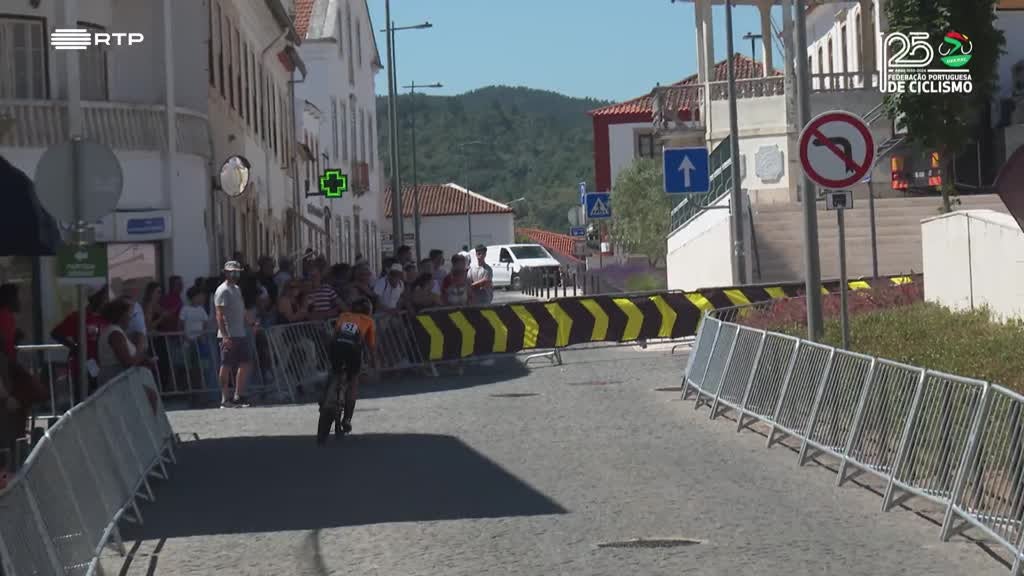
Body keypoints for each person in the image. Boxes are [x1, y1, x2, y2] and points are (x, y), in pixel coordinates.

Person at [319, 297, 376, 443]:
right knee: (354, 380)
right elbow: (371, 345)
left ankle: (325, 394)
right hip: (353, 350)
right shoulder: (368, 321)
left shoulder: (344, 316)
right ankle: (347, 419)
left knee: (334, 370)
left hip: (336, 346)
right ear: (368, 311)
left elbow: (337, 331)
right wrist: (374, 361)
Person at [50, 285, 109, 399]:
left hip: (103, 366)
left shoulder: (106, 317)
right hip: (84, 366)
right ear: (94, 297)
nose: (105, 300)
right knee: (84, 400)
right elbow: (56, 333)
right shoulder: (78, 317)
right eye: (103, 296)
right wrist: (74, 347)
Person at [214, 261, 253, 408]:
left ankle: (238, 395)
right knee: (226, 365)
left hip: (240, 333)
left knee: (245, 363)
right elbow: (219, 315)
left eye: (237, 272)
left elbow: (242, 309)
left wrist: (251, 323)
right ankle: (225, 398)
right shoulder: (222, 290)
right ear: (226, 273)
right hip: (228, 335)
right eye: (232, 272)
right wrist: (224, 336)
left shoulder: (237, 289)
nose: (235, 275)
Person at [96, 297, 154, 386]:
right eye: (129, 314)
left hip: (117, 379)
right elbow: (127, 362)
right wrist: (140, 349)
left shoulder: (115, 331)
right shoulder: (115, 333)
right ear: (122, 315)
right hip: (115, 380)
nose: (131, 318)